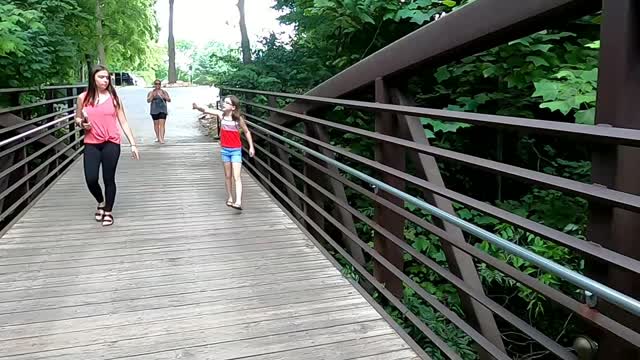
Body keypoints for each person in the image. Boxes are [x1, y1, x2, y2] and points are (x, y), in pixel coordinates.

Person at [75, 65, 140, 226]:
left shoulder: (114, 97)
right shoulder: (83, 98)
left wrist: (133, 143)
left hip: (111, 142)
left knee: (108, 178)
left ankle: (108, 211)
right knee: (91, 178)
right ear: (93, 79)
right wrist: (83, 124)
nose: (105, 80)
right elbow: (77, 119)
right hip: (91, 143)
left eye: (107, 77)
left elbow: (123, 121)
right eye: (101, 77)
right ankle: (100, 201)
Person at [192, 96, 255, 210]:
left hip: (236, 150)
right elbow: (206, 110)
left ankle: (238, 201)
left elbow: (246, 131)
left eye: (227, 103)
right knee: (228, 176)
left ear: (233, 107)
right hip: (225, 150)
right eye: (224, 102)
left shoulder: (238, 119)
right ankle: (230, 197)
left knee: (237, 176)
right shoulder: (221, 115)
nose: (224, 104)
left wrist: (251, 147)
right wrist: (197, 107)